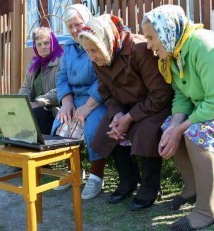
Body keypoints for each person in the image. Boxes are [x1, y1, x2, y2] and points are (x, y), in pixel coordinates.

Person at [142, 4, 214, 230]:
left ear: (167, 31)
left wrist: (181, 128)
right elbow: (182, 95)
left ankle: (205, 211)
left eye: (152, 37)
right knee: (168, 126)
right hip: (211, 107)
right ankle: (191, 189)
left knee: (194, 133)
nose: (149, 45)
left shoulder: (204, 46)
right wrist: (174, 127)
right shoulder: (175, 52)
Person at [78, 14, 173, 211]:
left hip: (154, 106)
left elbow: (160, 94)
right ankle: (128, 179)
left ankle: (150, 186)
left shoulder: (139, 49)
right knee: (109, 128)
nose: (91, 56)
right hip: (126, 107)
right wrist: (118, 115)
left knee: (146, 131)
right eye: (87, 51)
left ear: (105, 40)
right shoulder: (100, 57)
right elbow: (105, 92)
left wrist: (130, 117)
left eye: (93, 50)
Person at [51, 4, 107, 199]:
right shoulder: (69, 48)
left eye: (78, 24)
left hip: (97, 99)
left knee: (92, 127)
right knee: (62, 124)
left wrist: (88, 106)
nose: (74, 30)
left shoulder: (98, 41)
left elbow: (104, 77)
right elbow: (62, 76)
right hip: (74, 98)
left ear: (87, 21)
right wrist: (66, 102)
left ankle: (96, 176)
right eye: (70, 26)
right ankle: (74, 171)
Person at [19, 27, 63, 135]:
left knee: (36, 114)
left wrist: (39, 102)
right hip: (35, 108)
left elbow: (61, 89)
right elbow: (26, 87)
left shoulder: (61, 61)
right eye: (39, 44)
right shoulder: (34, 64)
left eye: (46, 43)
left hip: (54, 111)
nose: (43, 47)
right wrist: (23, 103)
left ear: (53, 43)